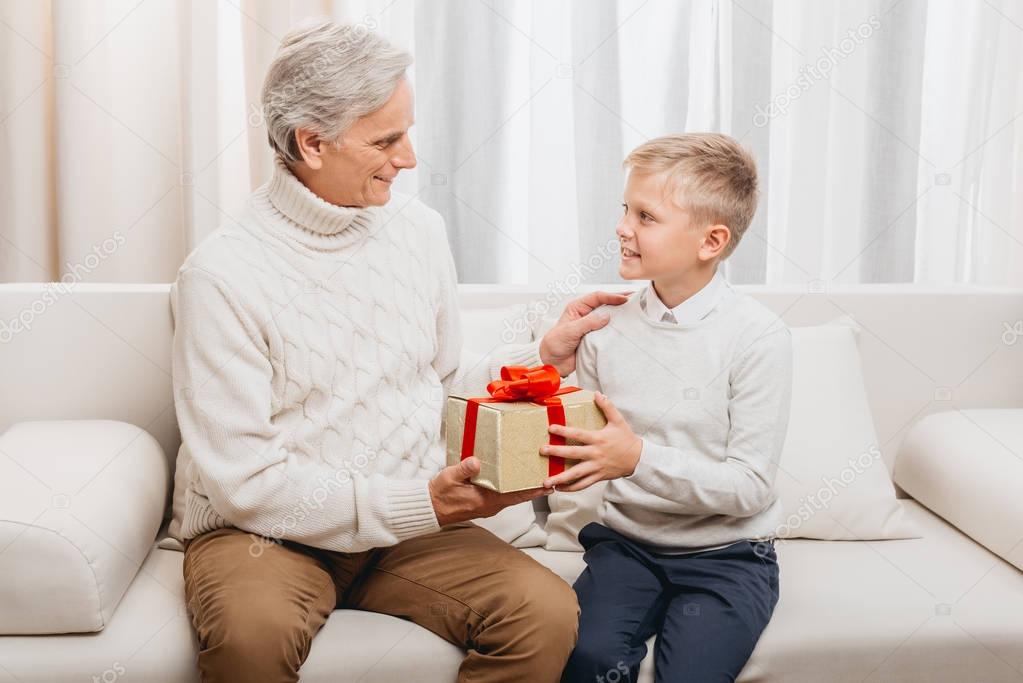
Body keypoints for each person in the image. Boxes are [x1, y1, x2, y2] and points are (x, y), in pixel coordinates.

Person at [172, 20, 627, 683]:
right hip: (264, 533)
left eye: (407, 133)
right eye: (387, 139)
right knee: (252, 638)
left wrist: (541, 356)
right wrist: (418, 503)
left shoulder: (417, 230)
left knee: (544, 610)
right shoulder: (220, 274)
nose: (409, 158)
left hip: (406, 531)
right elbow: (245, 482)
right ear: (311, 142)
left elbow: (439, 379)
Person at [543, 133, 793, 682]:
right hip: (626, 550)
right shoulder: (604, 331)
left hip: (728, 558)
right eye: (624, 209)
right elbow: (577, 452)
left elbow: (750, 487)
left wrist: (636, 459)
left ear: (711, 241)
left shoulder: (757, 337)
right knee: (589, 659)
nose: (622, 227)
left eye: (646, 216)